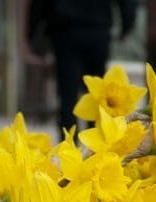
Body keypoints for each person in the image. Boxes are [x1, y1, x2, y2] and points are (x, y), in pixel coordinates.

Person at [28, 0, 138, 137]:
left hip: (65, 30)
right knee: (98, 94)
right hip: (98, 28)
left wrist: (33, 31)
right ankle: (94, 147)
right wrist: (127, 25)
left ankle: (68, 146)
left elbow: (38, 4)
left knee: (67, 93)